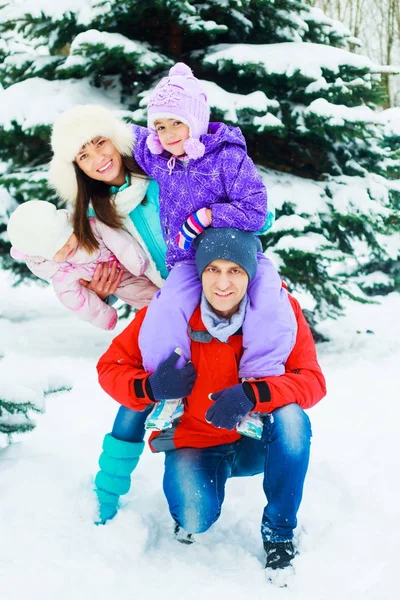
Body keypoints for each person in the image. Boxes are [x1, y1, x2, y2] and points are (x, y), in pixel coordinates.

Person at [96, 227, 327, 575]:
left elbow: (312, 380)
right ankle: (198, 487)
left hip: (253, 439)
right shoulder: (167, 315)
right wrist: (152, 386)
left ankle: (279, 533)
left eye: (235, 270)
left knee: (293, 420)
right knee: (194, 516)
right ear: (200, 272)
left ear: (250, 274)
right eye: (213, 269)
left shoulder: (278, 312)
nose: (223, 283)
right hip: (195, 440)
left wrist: (255, 393)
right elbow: (110, 368)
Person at [129, 62, 297, 432]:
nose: (169, 134)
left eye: (177, 122)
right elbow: (119, 134)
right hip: (189, 260)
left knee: (269, 300)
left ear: (196, 119)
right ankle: (170, 390)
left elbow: (255, 210)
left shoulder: (227, 156)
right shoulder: (160, 158)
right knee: (167, 305)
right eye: (160, 125)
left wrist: (206, 217)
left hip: (238, 252)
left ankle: (255, 389)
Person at [7, 200, 159, 329]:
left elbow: (115, 238)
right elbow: (75, 300)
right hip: (127, 287)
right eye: (57, 250)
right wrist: (102, 314)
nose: (66, 248)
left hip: (152, 265)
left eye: (66, 239)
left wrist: (134, 260)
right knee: (157, 308)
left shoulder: (91, 228)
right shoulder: (63, 273)